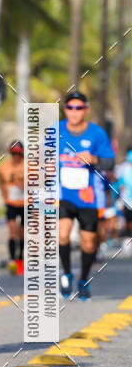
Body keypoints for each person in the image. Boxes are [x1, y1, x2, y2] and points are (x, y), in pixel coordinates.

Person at [58, 90, 115, 300]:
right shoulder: (56, 131)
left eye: (78, 108)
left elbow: (110, 162)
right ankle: (66, 274)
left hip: (89, 196)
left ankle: (83, 279)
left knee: (88, 242)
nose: (74, 112)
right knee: (62, 233)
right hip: (63, 194)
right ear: (65, 110)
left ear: (86, 110)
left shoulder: (97, 134)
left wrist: (94, 159)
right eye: (70, 108)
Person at [0, 140, 25, 275]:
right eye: (14, 154)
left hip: (26, 203)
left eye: (19, 154)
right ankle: (13, 260)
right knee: (13, 231)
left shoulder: (30, 166)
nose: (16, 157)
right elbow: (0, 182)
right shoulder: (3, 168)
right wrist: (4, 193)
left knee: (22, 234)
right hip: (11, 203)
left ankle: (21, 259)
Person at [114, 147, 132, 251]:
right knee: (127, 220)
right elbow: (119, 183)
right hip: (127, 200)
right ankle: (128, 238)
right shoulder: (124, 169)